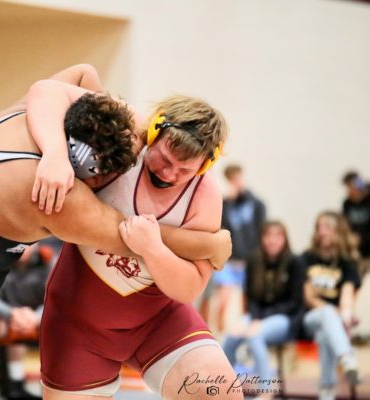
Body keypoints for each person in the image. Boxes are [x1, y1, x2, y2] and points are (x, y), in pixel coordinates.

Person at [0, 64, 231, 400]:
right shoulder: (56, 194)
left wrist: (57, 148)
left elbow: (78, 76)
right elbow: (131, 236)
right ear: (91, 173)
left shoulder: (28, 116)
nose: (167, 173)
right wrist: (211, 244)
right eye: (108, 180)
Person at [39, 94, 242, 400]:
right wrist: (54, 153)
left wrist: (154, 250)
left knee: (221, 393)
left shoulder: (205, 193)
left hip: (158, 321)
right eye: (165, 159)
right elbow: (49, 91)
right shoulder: (125, 137)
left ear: (205, 165)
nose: (169, 174)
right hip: (78, 323)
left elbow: (189, 289)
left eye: (185, 170)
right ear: (154, 132)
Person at [222, 221, 305, 399]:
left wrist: (260, 321)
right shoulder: (254, 260)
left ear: (285, 239)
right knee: (232, 334)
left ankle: (266, 390)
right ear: (262, 238)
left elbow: (295, 303)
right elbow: (251, 298)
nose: (272, 240)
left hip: (285, 318)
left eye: (277, 236)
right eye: (268, 235)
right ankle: (224, 385)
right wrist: (253, 319)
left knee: (255, 335)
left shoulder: (294, 262)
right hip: (257, 316)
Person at [302, 211, 361, 400]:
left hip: (331, 325)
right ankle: (347, 357)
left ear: (338, 231)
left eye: (327, 227)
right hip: (308, 318)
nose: (322, 232)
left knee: (326, 333)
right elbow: (308, 297)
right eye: (319, 227)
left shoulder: (347, 263)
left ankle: (326, 390)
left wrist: (346, 314)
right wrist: (334, 313)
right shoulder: (307, 258)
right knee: (327, 314)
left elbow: (347, 294)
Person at [0, 243, 52, 400]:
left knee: (62, 320)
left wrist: (36, 317)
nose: (24, 246)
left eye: (29, 243)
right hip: (8, 318)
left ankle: (52, 387)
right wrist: (12, 313)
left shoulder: (48, 261)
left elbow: (56, 296)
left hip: (40, 319)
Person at [208, 164, 266, 332]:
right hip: (230, 260)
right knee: (223, 301)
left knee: (247, 302)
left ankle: (244, 332)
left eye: (238, 178)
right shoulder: (225, 204)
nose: (236, 183)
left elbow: (261, 226)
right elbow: (218, 226)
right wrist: (226, 201)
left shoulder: (255, 203)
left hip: (250, 261)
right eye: (232, 180)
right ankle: (217, 333)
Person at [341, 171, 370, 292]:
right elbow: (344, 225)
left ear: (359, 185)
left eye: (351, 187)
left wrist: (361, 238)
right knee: (352, 287)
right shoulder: (347, 204)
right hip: (358, 254)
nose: (349, 191)